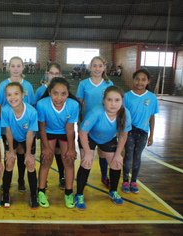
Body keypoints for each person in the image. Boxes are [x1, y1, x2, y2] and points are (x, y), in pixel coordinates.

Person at [75, 86, 132, 210]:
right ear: (104, 100)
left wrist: (118, 154)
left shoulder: (125, 113)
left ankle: (113, 191)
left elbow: (123, 135)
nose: (113, 104)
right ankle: (79, 194)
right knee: (87, 162)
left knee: (116, 163)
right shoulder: (96, 112)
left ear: (122, 100)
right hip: (89, 137)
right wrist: (89, 154)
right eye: (109, 100)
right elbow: (83, 133)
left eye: (117, 100)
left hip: (108, 138)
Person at [0, 56, 35, 193]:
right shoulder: (2, 85)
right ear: (8, 68)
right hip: (8, 127)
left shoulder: (28, 85)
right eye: (13, 66)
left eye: (18, 66)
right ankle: (7, 181)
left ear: (23, 67)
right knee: (10, 155)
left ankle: (21, 179)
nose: (16, 69)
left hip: (24, 128)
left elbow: (32, 106)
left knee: (23, 154)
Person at [36, 77, 79, 208]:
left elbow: (70, 128)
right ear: (49, 92)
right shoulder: (42, 104)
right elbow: (42, 127)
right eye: (55, 93)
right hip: (48, 131)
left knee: (69, 160)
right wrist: (46, 148)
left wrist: (72, 148)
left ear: (67, 94)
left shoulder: (73, 105)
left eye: (63, 94)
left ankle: (68, 193)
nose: (59, 98)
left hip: (65, 132)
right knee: (46, 160)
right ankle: (41, 192)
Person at [76, 56, 114, 189]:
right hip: (88, 127)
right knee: (86, 155)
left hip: (104, 127)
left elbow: (113, 104)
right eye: (94, 66)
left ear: (104, 67)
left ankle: (104, 177)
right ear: (90, 67)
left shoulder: (109, 84)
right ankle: (83, 180)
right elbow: (79, 104)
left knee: (103, 154)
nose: (97, 68)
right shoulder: (83, 84)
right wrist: (78, 122)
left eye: (100, 66)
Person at [1, 82, 39, 209]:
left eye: (16, 93)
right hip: (12, 136)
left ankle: (34, 195)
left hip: (26, 138)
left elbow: (30, 135)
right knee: (9, 162)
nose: (13, 97)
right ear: (6, 97)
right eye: (9, 94)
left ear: (23, 95)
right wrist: (11, 151)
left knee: (30, 163)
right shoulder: (5, 110)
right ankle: (5, 194)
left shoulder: (32, 112)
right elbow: (8, 132)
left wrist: (29, 153)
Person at [122, 68, 159, 194]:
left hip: (143, 132)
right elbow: (122, 116)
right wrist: (121, 133)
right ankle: (125, 180)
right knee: (128, 156)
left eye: (143, 80)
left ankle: (134, 181)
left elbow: (152, 117)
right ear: (133, 80)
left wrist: (151, 135)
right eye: (137, 79)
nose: (140, 82)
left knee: (137, 157)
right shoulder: (127, 96)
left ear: (148, 81)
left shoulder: (152, 97)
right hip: (129, 131)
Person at [35, 62, 67, 190]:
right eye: (51, 73)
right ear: (46, 74)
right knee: (46, 153)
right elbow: (36, 109)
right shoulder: (40, 90)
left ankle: (62, 177)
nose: (54, 75)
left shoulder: (63, 89)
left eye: (56, 73)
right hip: (46, 130)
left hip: (61, 129)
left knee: (60, 153)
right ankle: (43, 180)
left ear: (60, 74)